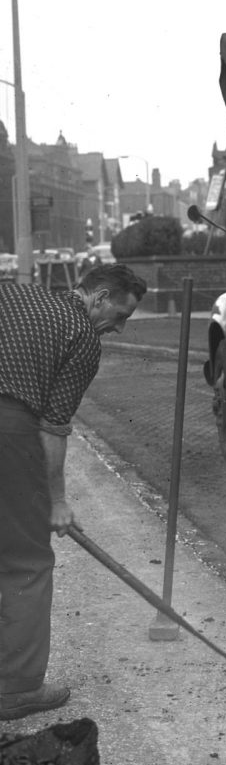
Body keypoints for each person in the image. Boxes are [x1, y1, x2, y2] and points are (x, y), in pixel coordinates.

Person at [1, 262, 147, 721]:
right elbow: (51, 428)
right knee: (26, 560)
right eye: (120, 316)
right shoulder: (82, 337)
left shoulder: (13, 294)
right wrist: (56, 502)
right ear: (98, 297)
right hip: (9, 428)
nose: (119, 329)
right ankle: (17, 689)